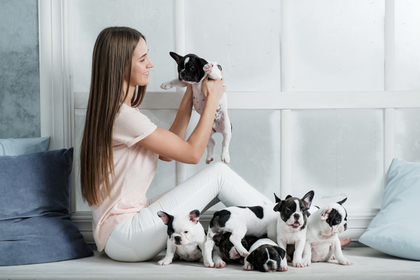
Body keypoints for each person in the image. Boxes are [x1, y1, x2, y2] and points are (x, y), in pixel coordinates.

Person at [80, 26, 272, 262]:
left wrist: (193, 87)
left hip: (125, 232)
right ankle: (282, 222)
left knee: (219, 178)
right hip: (126, 234)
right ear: (120, 66)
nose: (151, 63)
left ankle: (277, 221)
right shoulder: (124, 117)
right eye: (143, 58)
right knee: (219, 174)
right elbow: (192, 154)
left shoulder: (117, 112)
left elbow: (168, 153)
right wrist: (212, 99)